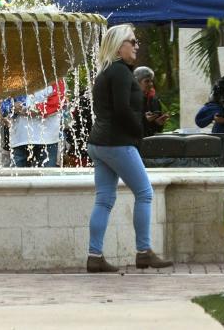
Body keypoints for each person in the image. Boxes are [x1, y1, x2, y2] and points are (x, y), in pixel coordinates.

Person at [86, 24, 172, 273]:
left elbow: (111, 110)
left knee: (104, 200)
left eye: (136, 42)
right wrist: (139, 130)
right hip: (117, 142)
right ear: (118, 46)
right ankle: (144, 252)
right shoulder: (122, 72)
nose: (136, 46)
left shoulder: (105, 73)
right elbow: (123, 110)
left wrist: (145, 123)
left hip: (99, 142)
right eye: (132, 42)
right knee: (144, 193)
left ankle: (94, 256)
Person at [7, 79, 66, 168]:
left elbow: (57, 102)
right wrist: (12, 107)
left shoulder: (55, 75)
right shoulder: (16, 73)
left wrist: (35, 109)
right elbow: (4, 102)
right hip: (20, 138)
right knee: (18, 179)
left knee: (46, 179)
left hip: (47, 139)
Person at [134, 66, 169, 137]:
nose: (150, 84)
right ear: (137, 82)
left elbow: (155, 130)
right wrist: (144, 120)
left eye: (151, 81)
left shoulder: (154, 100)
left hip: (150, 142)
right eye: (147, 81)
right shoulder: (129, 99)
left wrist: (158, 123)